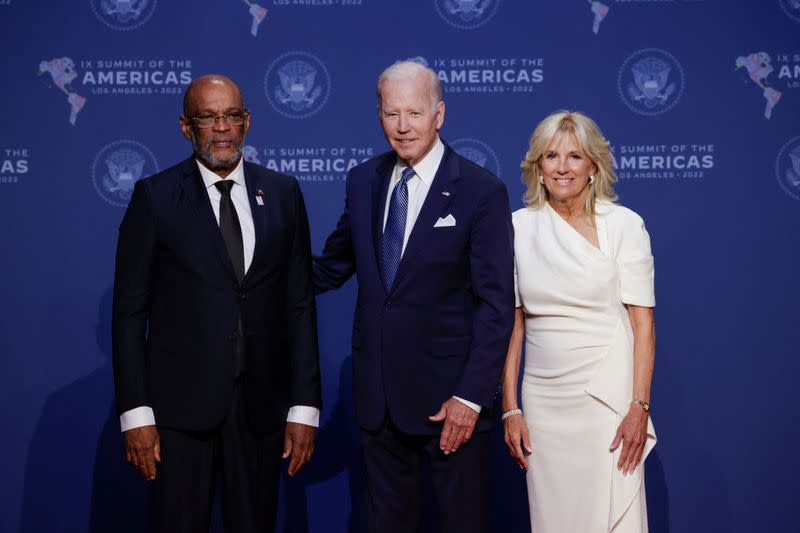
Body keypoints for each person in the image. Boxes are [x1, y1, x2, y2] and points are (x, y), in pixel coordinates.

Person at [112, 74, 322, 533]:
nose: (221, 128)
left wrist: (304, 406)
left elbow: (299, 305)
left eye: (230, 116)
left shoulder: (283, 193)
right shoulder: (156, 197)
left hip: (261, 408)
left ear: (247, 122)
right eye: (208, 117)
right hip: (178, 415)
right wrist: (135, 413)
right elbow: (129, 315)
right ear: (186, 127)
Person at [313, 60, 514, 533]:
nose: (402, 127)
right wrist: (250, 270)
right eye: (391, 114)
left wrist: (470, 397)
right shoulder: (363, 180)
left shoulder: (481, 191)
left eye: (415, 113)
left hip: (452, 406)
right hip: (379, 402)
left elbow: (496, 304)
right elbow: (333, 266)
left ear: (439, 114)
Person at [502, 111, 657, 532]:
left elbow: (643, 324)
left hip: (607, 400)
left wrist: (639, 407)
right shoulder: (516, 228)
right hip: (544, 405)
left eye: (575, 156)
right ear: (538, 165)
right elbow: (512, 328)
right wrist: (510, 408)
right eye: (551, 156)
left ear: (593, 165)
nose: (563, 167)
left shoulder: (624, 225)